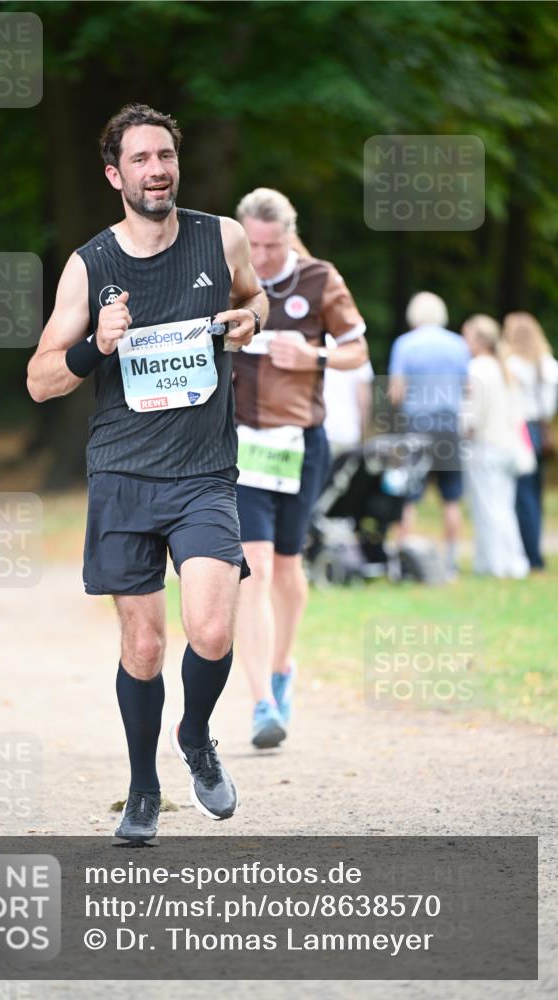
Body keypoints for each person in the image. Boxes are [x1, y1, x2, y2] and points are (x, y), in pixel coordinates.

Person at [26, 104, 268, 842]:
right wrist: (96, 344)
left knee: (213, 630)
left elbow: (254, 295)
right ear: (114, 175)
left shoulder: (218, 236)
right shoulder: (89, 265)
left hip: (203, 472)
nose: (156, 169)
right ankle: (141, 790)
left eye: (164, 155)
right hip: (125, 473)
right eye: (139, 159)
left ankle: (194, 735)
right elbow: (40, 380)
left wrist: (251, 317)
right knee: (143, 646)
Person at [232, 188, 367, 749]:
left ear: (289, 235)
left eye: (270, 245)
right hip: (238, 442)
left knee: (288, 568)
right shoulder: (223, 271)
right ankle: (262, 702)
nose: (260, 257)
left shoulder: (318, 278)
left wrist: (310, 354)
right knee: (254, 569)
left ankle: (284, 668)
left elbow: (357, 349)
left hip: (300, 444)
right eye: (251, 244)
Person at [388, 292, 470, 578]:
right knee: (451, 497)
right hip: (449, 428)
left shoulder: (405, 344)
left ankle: (404, 558)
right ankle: (452, 560)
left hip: (417, 428)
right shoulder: (458, 344)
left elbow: (397, 390)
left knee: (408, 496)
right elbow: (467, 387)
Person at [460, 314, 530, 579]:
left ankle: (494, 564)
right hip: (508, 446)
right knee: (504, 508)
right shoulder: (505, 369)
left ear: (478, 339)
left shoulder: (477, 369)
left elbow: (471, 416)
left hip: (485, 448)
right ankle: (514, 563)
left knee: (487, 509)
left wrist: (463, 435)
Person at [502, 312, 558, 570]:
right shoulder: (548, 364)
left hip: (519, 431)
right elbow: (549, 407)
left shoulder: (511, 365)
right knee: (535, 493)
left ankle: (528, 553)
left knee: (522, 494)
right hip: (540, 430)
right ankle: (534, 550)